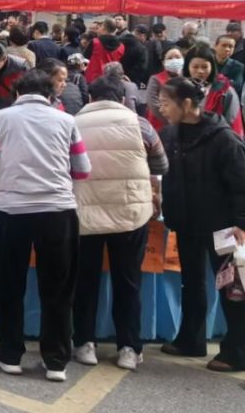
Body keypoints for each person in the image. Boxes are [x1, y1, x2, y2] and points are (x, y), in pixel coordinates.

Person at [0, 69, 91, 382]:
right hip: (58, 211)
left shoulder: (1, 118)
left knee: (9, 283)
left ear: (17, 93)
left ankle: (9, 354)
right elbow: (83, 170)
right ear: (51, 95)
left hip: (13, 210)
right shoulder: (66, 121)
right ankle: (56, 361)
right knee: (58, 288)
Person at [157, 77, 245, 372]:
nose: (161, 109)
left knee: (230, 289)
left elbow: (243, 185)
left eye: (166, 103)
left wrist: (243, 222)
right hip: (186, 223)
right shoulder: (171, 134)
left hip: (222, 227)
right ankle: (190, 339)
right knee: (191, 284)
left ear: (187, 104)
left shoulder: (224, 139)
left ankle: (236, 352)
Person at [71, 75, 167, 371]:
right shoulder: (141, 125)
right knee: (128, 282)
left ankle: (84, 343)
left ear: (90, 98)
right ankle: (129, 348)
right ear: (122, 99)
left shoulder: (73, 123)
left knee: (85, 281)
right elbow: (161, 165)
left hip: (85, 214)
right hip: (130, 214)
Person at [186, 43, 244, 138]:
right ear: (187, 67)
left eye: (205, 67)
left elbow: (233, 121)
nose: (200, 71)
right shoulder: (179, 88)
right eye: (195, 67)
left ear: (212, 67)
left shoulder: (224, 90)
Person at [145, 46, 185, 132]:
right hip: (160, 124)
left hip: (183, 125)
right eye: (170, 58)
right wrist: (170, 121)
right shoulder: (155, 79)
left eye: (178, 57)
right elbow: (153, 103)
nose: (174, 61)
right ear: (163, 62)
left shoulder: (187, 79)